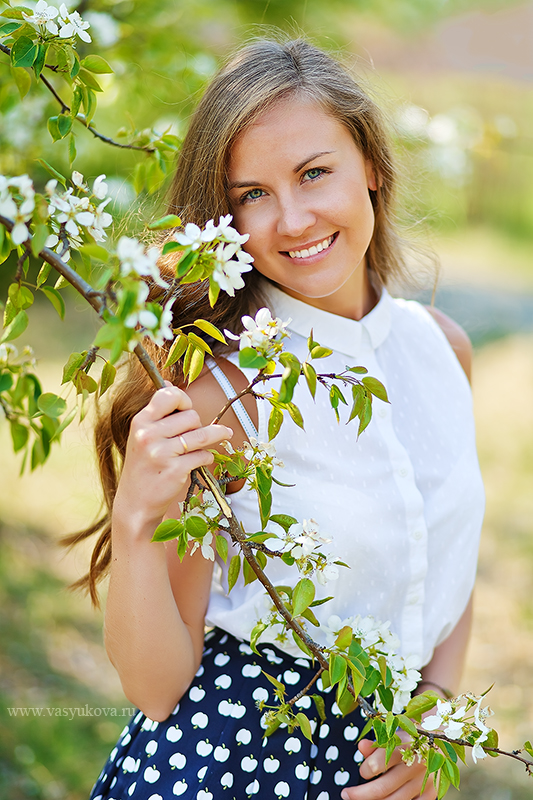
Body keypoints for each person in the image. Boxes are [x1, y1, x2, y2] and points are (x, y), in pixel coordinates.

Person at [80, 37, 485, 800]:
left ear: (368, 163)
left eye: (312, 173)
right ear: (223, 216)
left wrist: (432, 714)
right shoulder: (224, 391)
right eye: (250, 194)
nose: (292, 219)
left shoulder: (443, 351)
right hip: (226, 771)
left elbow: (443, 563)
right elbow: (158, 688)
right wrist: (137, 521)